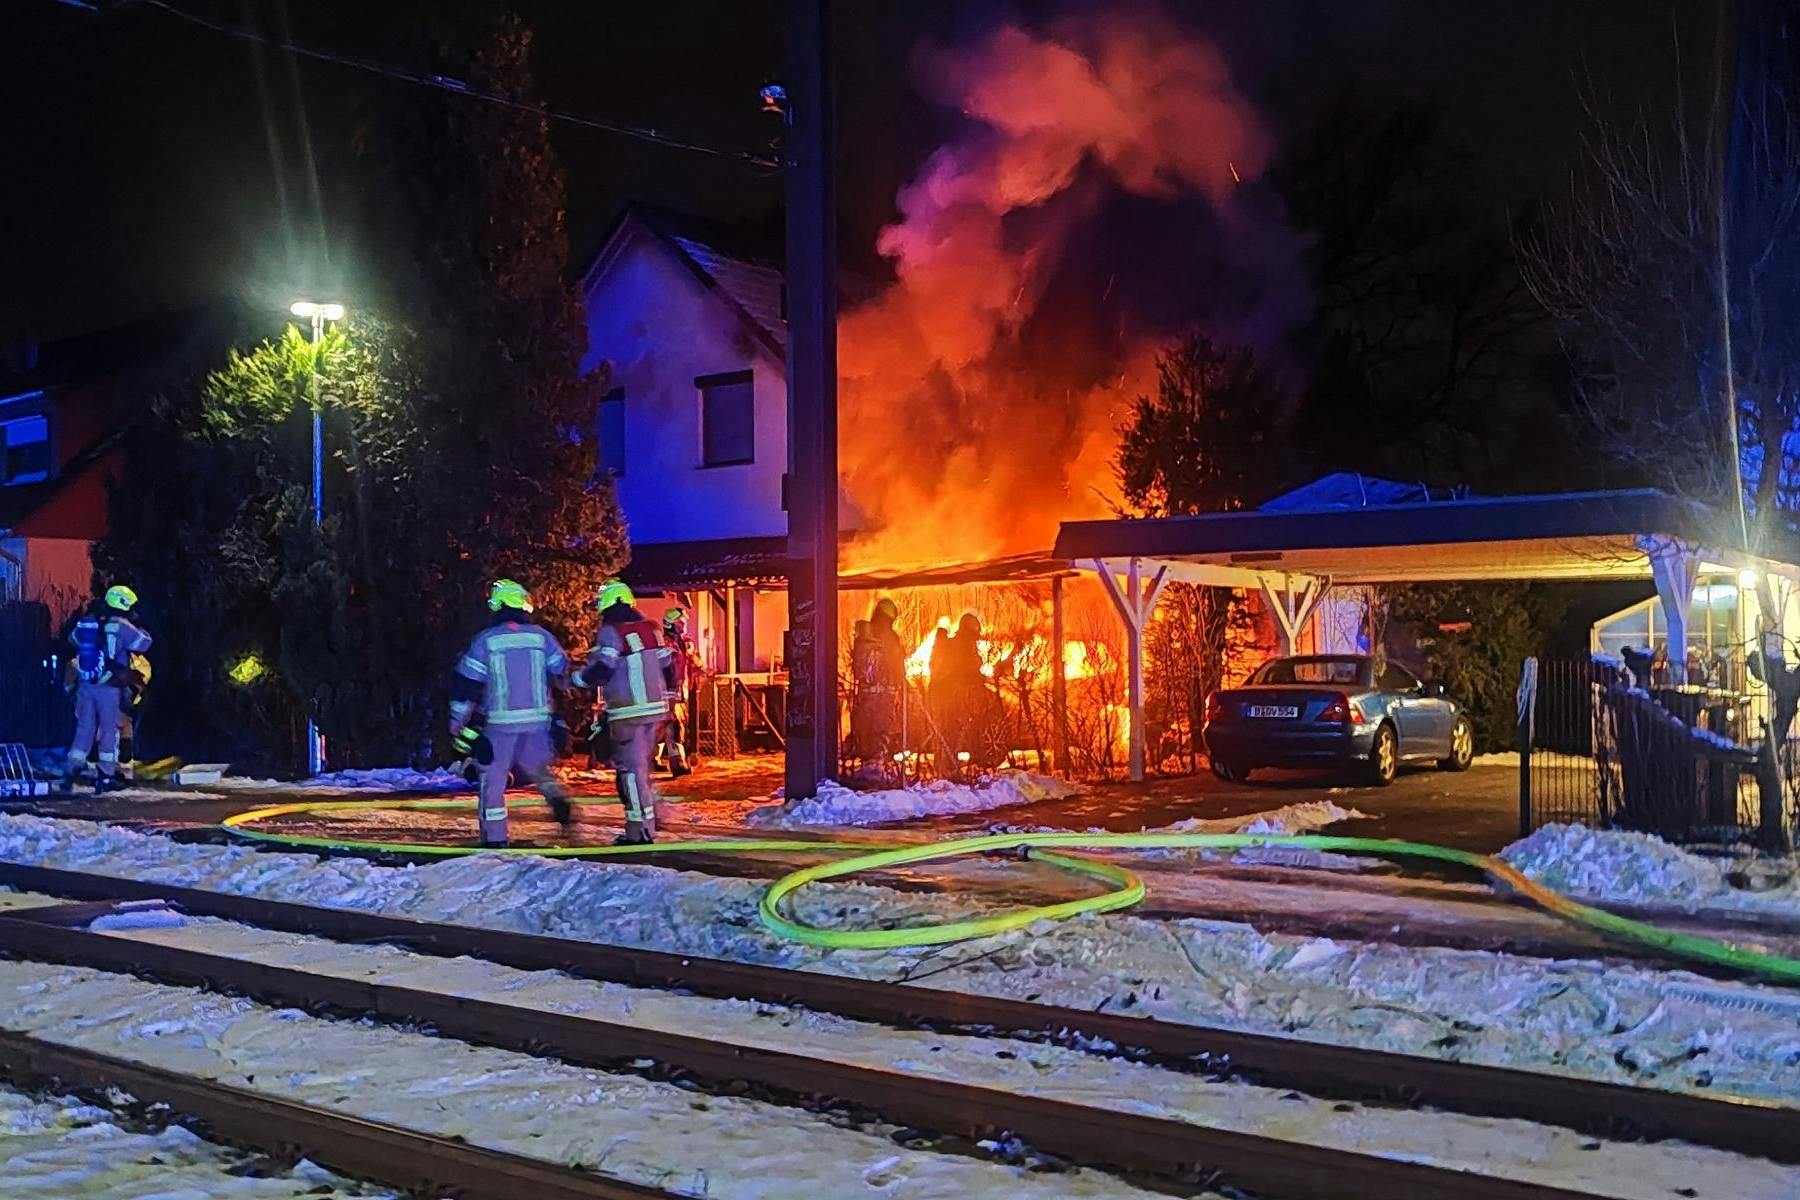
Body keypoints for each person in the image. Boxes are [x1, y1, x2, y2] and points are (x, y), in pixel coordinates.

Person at [449, 579, 573, 848]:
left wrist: (457, 726)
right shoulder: (541, 637)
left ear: (497, 606)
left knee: (492, 780)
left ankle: (495, 839)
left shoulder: (487, 640)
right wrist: (559, 717)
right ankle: (555, 796)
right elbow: (562, 673)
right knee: (536, 766)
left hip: (500, 723)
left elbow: (466, 685)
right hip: (538, 720)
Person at [575, 579, 676, 844]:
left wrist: (576, 679)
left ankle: (638, 830)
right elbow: (668, 666)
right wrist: (671, 698)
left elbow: (603, 670)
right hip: (655, 712)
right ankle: (651, 821)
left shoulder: (611, 631)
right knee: (641, 769)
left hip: (627, 711)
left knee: (629, 772)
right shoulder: (652, 628)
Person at [63, 585, 153, 794]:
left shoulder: (89, 622)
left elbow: (72, 639)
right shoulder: (120, 625)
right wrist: (139, 626)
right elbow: (144, 643)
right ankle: (106, 776)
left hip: (86, 683)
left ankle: (71, 769)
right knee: (109, 729)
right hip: (109, 684)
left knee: (85, 727)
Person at [657, 606, 701, 777]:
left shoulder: (683, 643)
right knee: (674, 727)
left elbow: (694, 664)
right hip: (667, 691)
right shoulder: (664, 643)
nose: (683, 624)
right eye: (680, 622)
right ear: (672, 623)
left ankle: (652, 760)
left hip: (679, 691)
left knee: (661, 726)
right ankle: (678, 764)